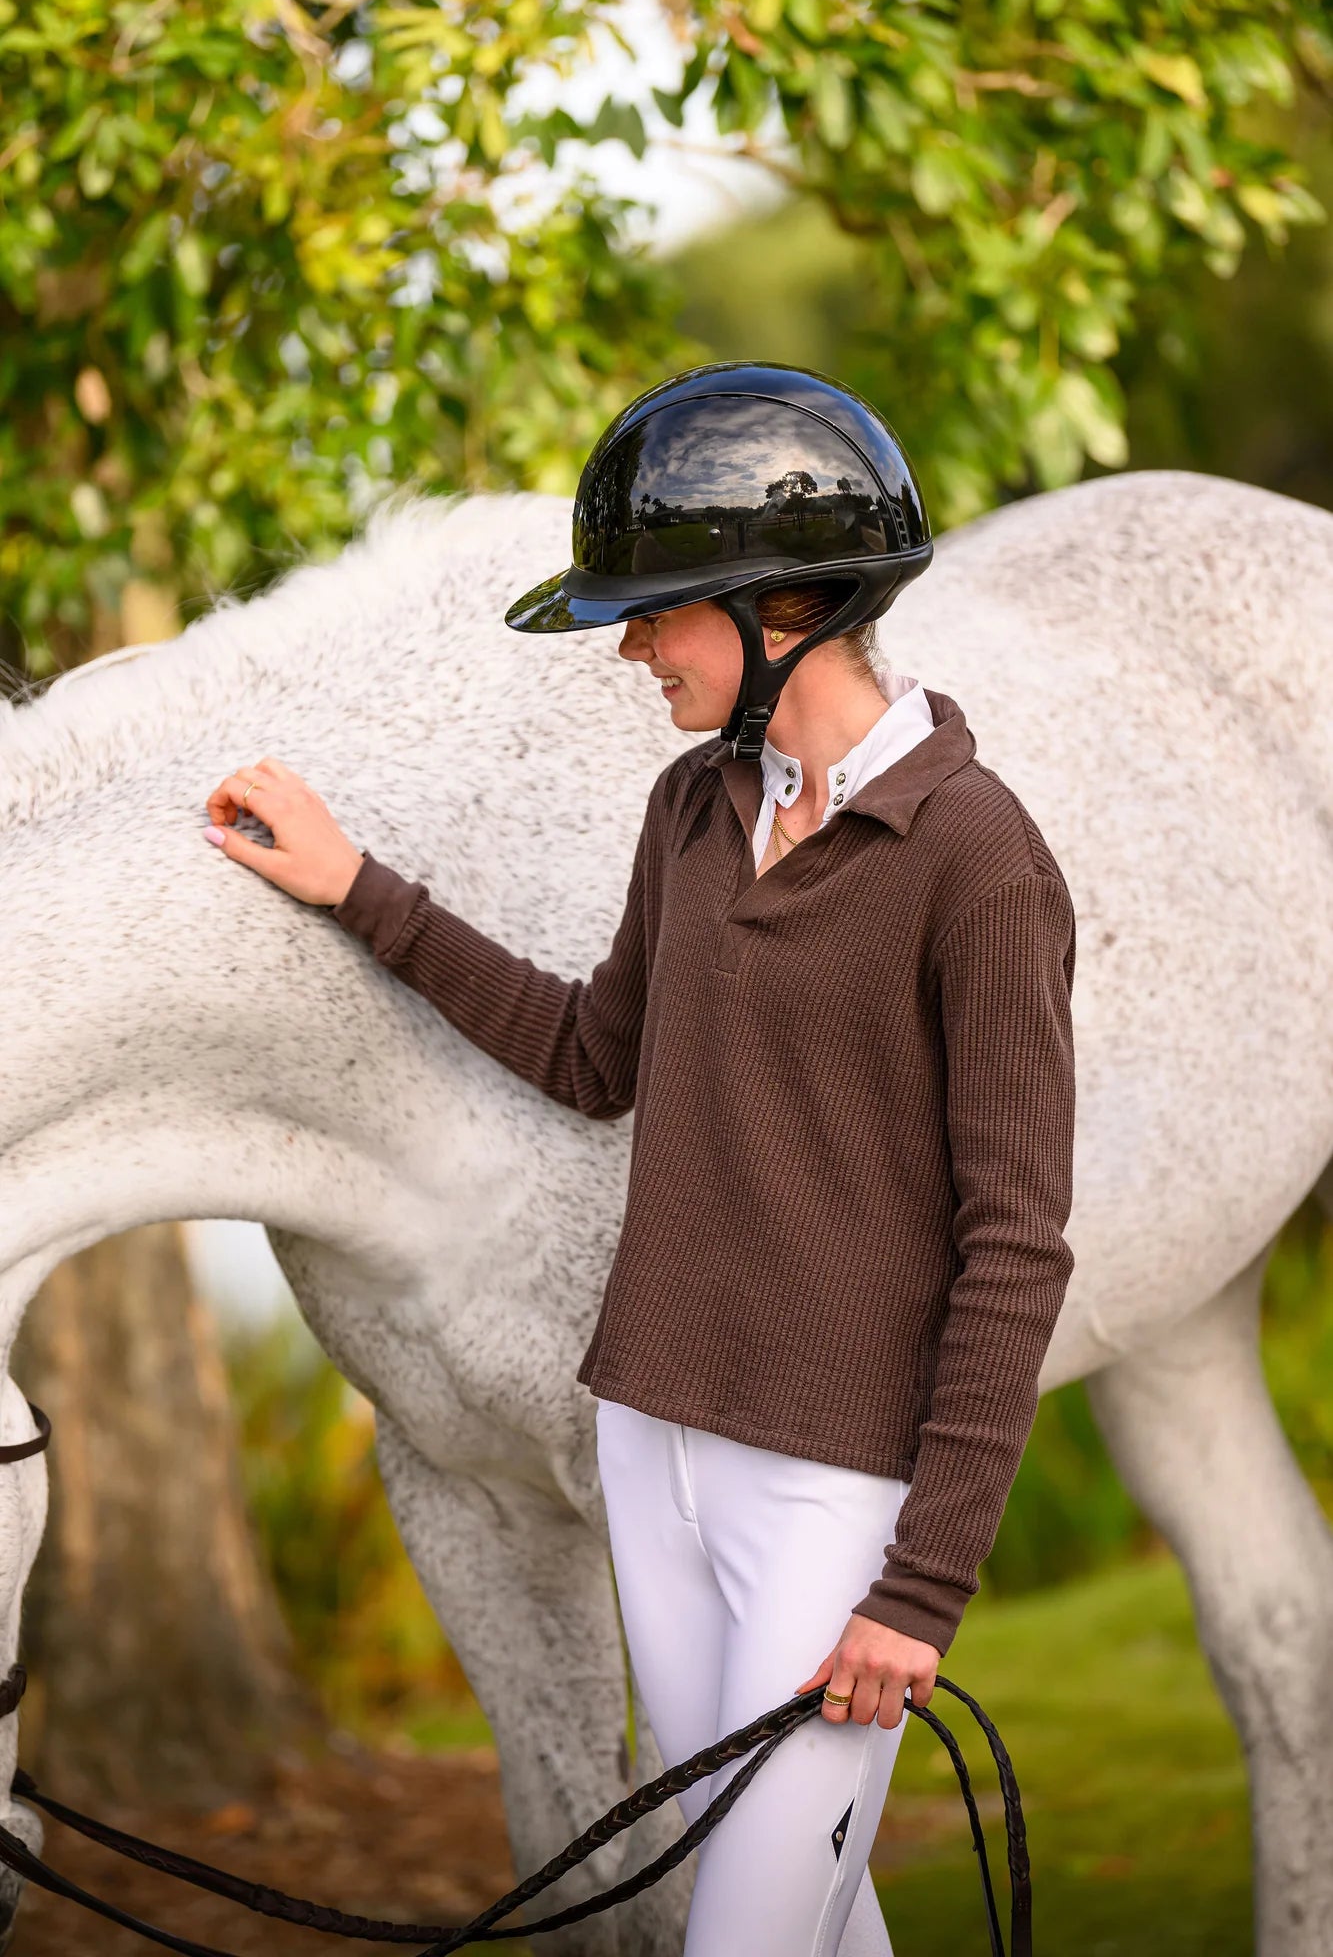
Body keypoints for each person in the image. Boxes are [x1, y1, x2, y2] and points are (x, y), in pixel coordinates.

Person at [201, 361, 1078, 1957]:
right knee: (798, 1911)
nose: (627, 649)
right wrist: (355, 890)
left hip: (831, 1488)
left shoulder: (978, 859)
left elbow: (1015, 1245)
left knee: (741, 1932)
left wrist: (920, 1586)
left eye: (657, 612)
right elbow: (590, 1057)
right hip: (652, 1448)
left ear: (785, 606)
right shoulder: (690, 809)